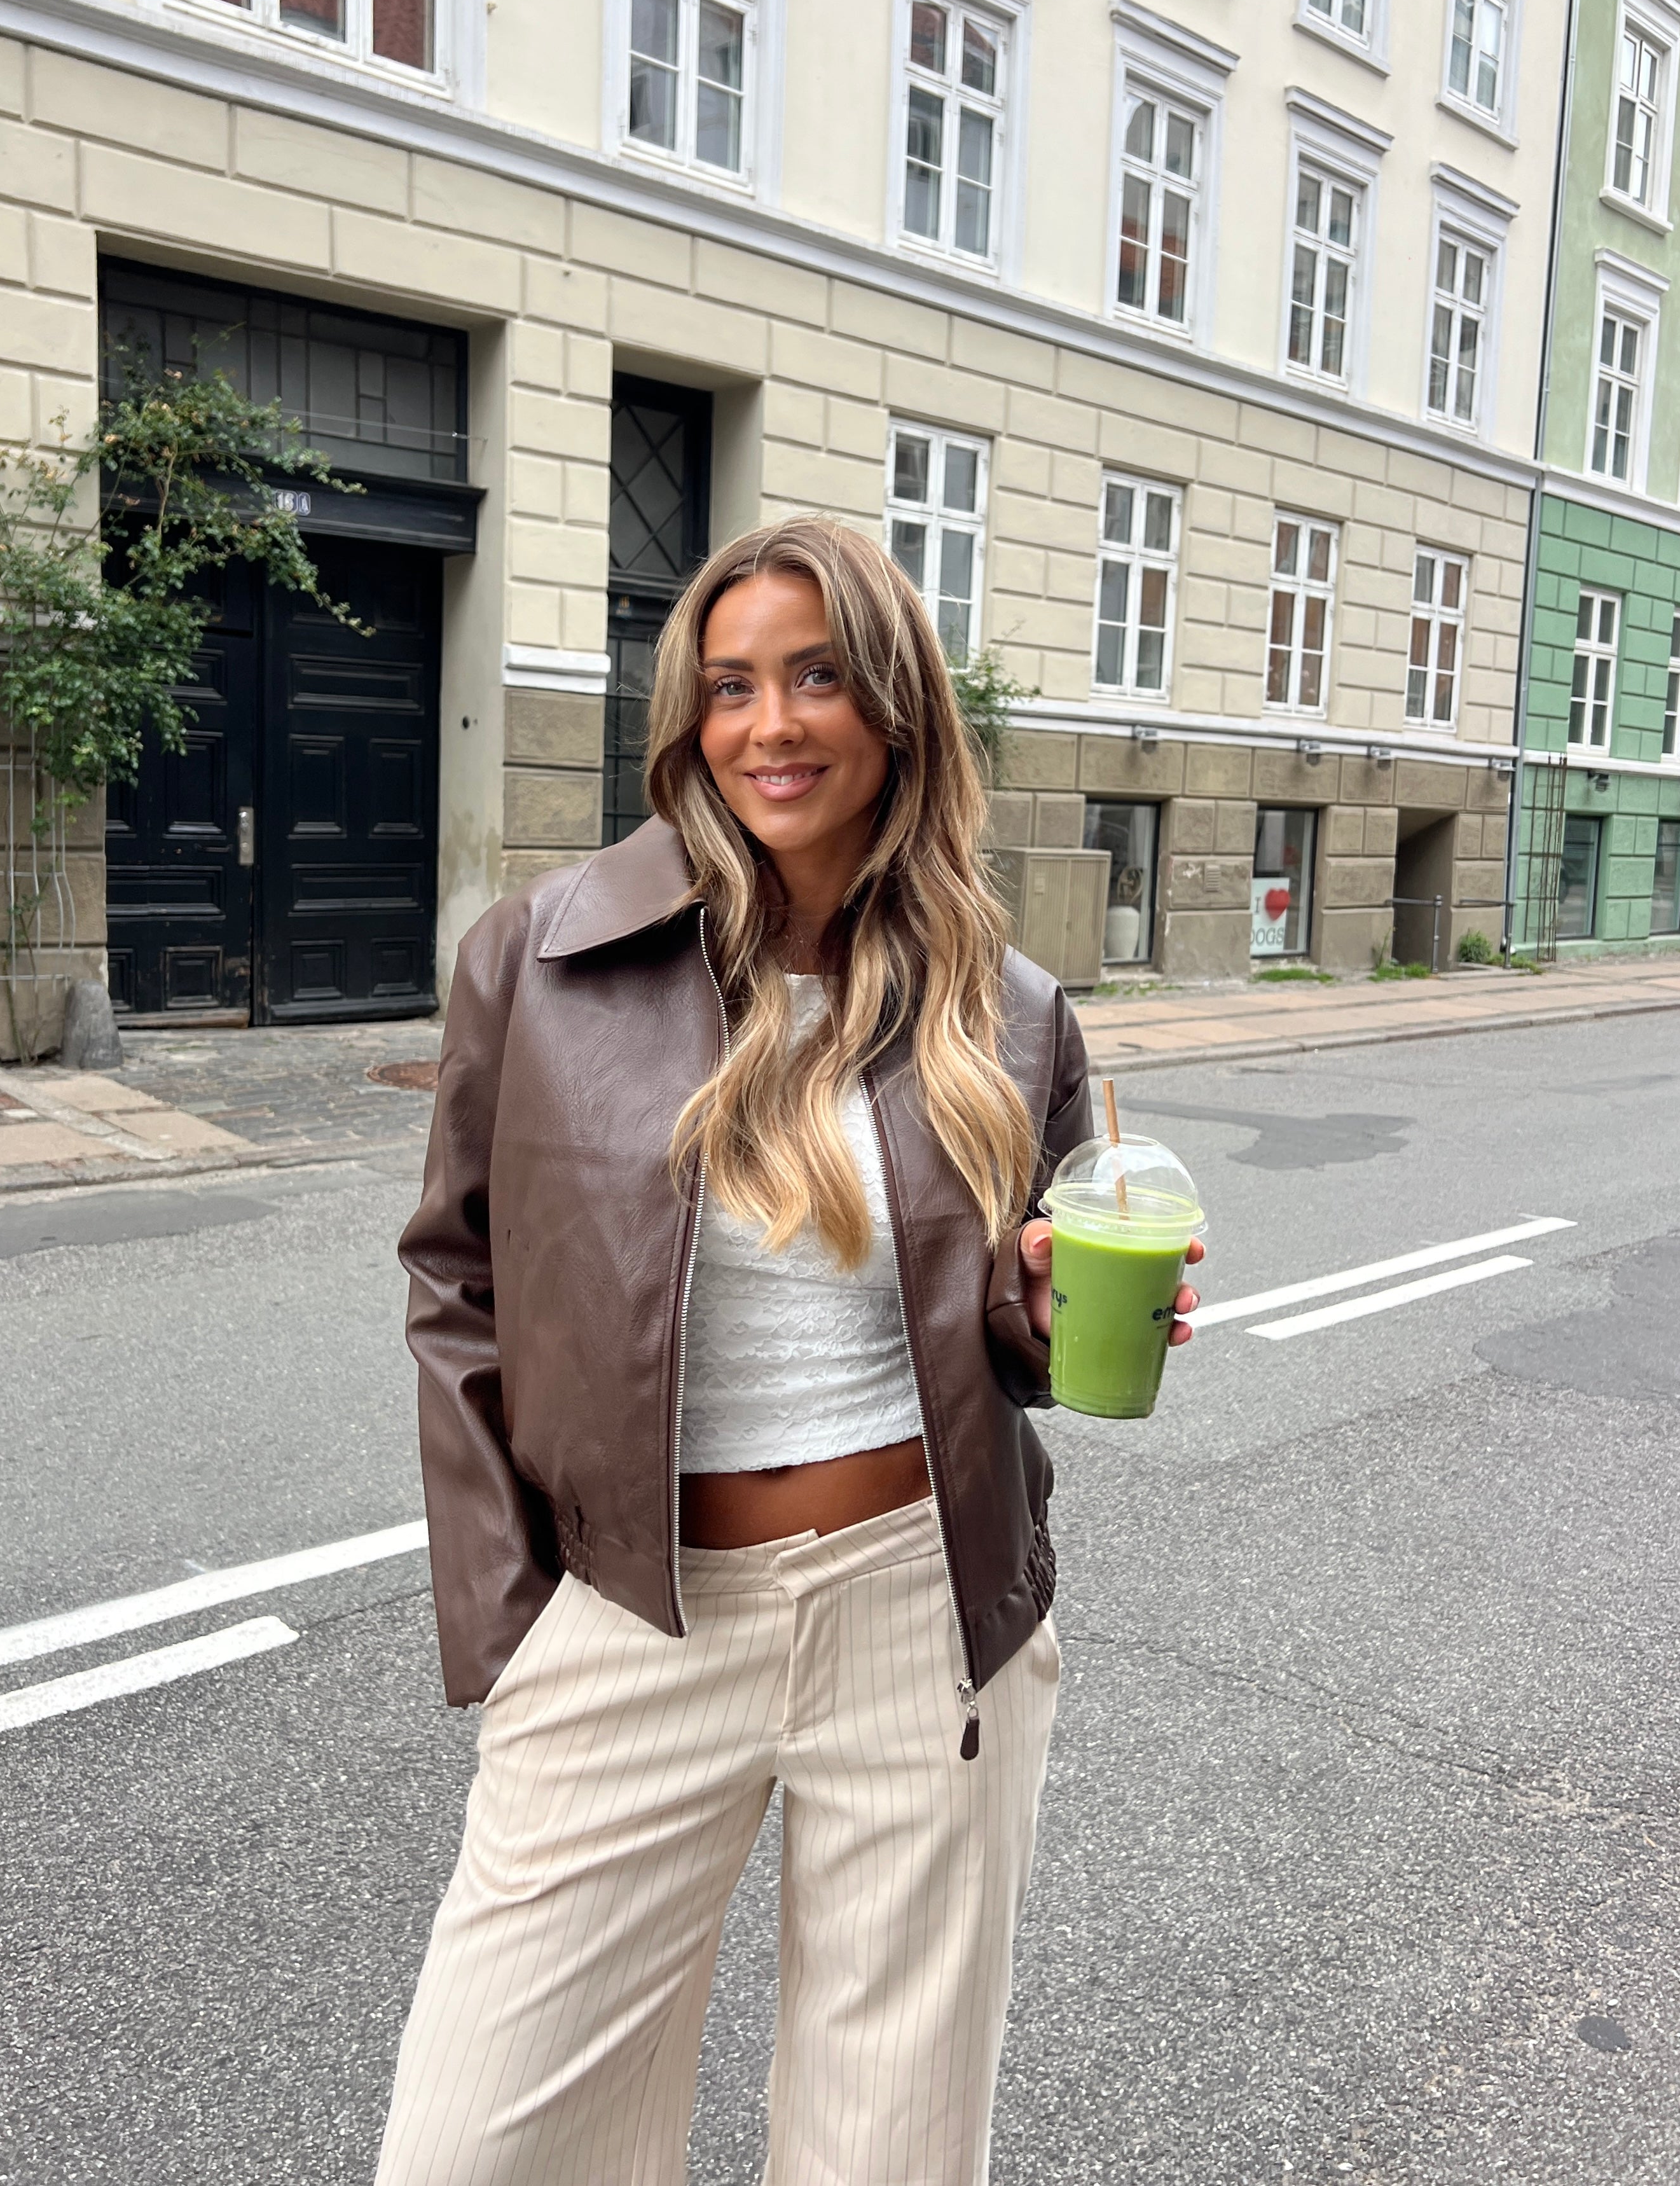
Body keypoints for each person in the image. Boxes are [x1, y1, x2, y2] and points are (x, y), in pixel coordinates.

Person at [376, 516, 1202, 2186]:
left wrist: (1048, 1311)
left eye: (818, 676)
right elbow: (456, 1276)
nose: (770, 724)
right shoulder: (541, 959)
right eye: (731, 684)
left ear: (894, 705)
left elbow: (1005, 1323)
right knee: (475, 2149)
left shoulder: (1009, 1009)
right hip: (633, 1608)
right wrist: (513, 1618)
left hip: (923, 1613)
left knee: (885, 2155)